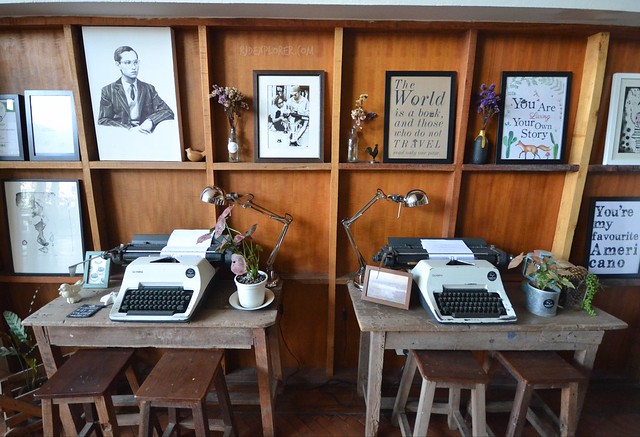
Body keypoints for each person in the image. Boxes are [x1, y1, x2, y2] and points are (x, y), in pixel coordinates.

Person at [98, 46, 174, 134]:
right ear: (118, 65)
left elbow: (167, 112)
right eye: (128, 63)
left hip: (146, 135)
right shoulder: (108, 90)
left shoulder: (148, 88)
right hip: (122, 136)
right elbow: (103, 120)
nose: (134, 67)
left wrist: (150, 121)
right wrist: (129, 130)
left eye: (135, 62)